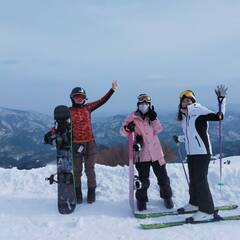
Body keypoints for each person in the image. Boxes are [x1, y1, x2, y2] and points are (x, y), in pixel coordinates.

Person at [173, 85, 227, 221]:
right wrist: (180, 138)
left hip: (202, 152)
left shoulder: (198, 109)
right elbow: (191, 135)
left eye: (189, 100)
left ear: (193, 101)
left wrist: (221, 100)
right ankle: (194, 203)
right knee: (193, 180)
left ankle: (207, 210)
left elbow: (218, 116)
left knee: (201, 180)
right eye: (184, 100)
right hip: (191, 153)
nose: (186, 102)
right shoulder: (185, 117)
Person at [120, 94, 173, 211]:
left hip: (156, 152)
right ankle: (141, 200)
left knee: (163, 177)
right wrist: (127, 128)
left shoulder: (152, 116)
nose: (144, 105)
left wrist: (154, 119)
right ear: (138, 105)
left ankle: (167, 197)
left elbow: (159, 129)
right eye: (141, 103)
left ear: (149, 105)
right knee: (143, 179)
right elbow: (122, 132)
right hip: (141, 154)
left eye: (146, 103)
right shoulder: (132, 117)